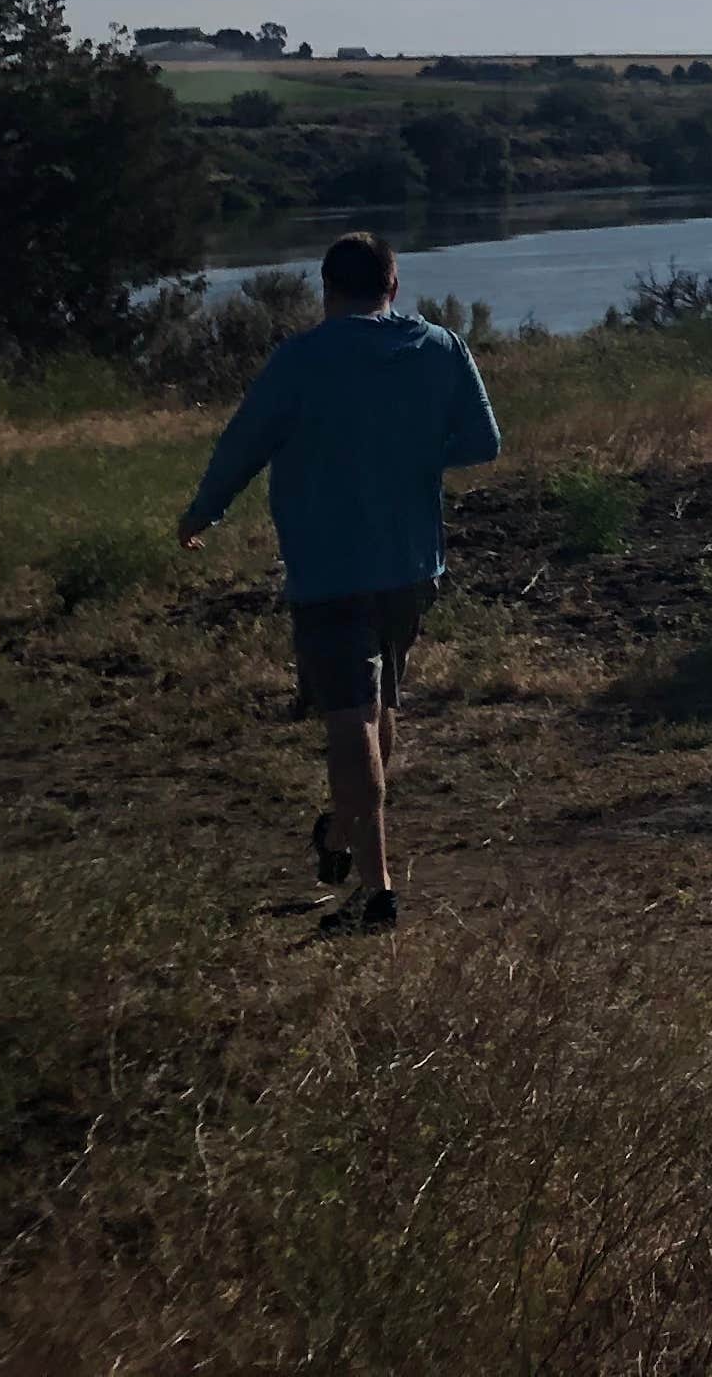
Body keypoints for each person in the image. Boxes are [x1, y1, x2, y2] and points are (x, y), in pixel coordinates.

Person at [177, 231, 501, 933]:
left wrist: (203, 512)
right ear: (394, 284)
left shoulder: (301, 359)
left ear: (327, 291)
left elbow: (245, 442)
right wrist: (413, 451)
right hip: (413, 567)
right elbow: (483, 442)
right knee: (379, 708)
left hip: (330, 570)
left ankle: (376, 891)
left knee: (351, 720)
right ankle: (340, 835)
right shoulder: (441, 346)